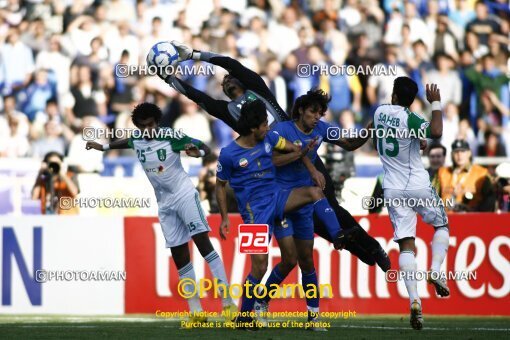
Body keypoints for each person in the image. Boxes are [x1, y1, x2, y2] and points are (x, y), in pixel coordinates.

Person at [156, 40, 390, 272]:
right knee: (317, 224)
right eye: (223, 81)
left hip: (302, 153)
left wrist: (195, 55)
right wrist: (169, 79)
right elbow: (197, 96)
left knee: (333, 210)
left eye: (229, 78)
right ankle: (362, 251)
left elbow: (229, 63)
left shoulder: (257, 88)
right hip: (278, 167)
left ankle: (372, 250)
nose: (226, 80)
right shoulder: (227, 111)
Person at [85, 102, 236, 324]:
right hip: (164, 203)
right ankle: (196, 311)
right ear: (137, 126)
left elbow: (202, 146)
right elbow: (124, 141)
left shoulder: (170, 135)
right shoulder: (137, 138)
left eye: (151, 125)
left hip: (184, 195)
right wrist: (103, 148)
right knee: (179, 254)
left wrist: (199, 152)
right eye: (143, 126)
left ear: (157, 122)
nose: (148, 130)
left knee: (203, 244)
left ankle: (228, 303)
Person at [215, 99, 353, 330]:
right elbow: (220, 186)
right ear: (252, 128)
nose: (268, 128)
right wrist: (224, 218)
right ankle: (244, 317)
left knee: (314, 192)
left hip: (278, 198)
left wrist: (307, 158)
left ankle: (338, 234)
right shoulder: (229, 154)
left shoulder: (270, 138)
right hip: (253, 213)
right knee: (259, 267)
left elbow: (295, 149)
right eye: (264, 125)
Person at [253, 90, 370, 330]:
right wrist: (300, 154)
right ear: (300, 111)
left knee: (305, 261)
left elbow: (349, 143)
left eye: (320, 113)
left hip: (303, 204)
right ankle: (260, 303)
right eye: (313, 112)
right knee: (289, 259)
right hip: (281, 200)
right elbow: (272, 161)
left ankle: (313, 317)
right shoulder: (281, 130)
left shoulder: (322, 129)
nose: (317, 117)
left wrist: (370, 131)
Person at [374, 77, 449, 330]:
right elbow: (436, 131)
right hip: (417, 184)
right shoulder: (411, 118)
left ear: (394, 94)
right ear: (412, 99)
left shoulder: (380, 112)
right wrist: (435, 103)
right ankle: (436, 270)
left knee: (406, 244)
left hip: (393, 188)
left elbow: (379, 139)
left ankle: (415, 300)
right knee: (441, 225)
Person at [438, 139, 496, 212]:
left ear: (469, 153)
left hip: (471, 218)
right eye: (456, 152)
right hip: (446, 217)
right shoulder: (443, 172)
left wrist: (475, 210)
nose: (459, 155)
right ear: (452, 154)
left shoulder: (481, 173)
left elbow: (489, 200)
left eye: (463, 151)